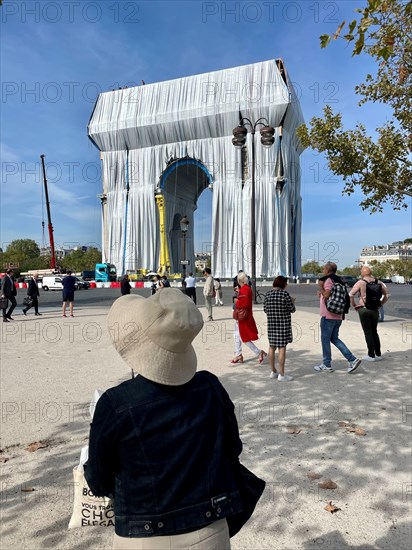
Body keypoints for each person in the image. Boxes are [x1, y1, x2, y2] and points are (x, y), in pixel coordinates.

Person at [85, 289, 247, 549]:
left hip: (142, 536)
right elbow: (233, 449)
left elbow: (98, 480)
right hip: (210, 529)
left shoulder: (116, 403)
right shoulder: (211, 387)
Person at [314, 262, 361, 374]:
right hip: (338, 314)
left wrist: (321, 289)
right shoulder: (339, 280)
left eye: (324, 268)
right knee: (334, 338)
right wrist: (322, 293)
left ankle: (326, 364)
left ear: (328, 270)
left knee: (325, 339)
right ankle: (352, 359)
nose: (323, 270)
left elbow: (327, 294)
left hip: (328, 315)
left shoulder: (328, 280)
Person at [349, 266, 388, 361]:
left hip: (364, 309)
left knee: (367, 332)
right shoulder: (378, 282)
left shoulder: (360, 282)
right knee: (374, 331)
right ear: (370, 273)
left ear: (363, 273)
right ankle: (378, 354)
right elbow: (386, 295)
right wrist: (380, 304)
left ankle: (371, 355)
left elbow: (350, 294)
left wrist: (354, 305)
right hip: (375, 310)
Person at [263, 275, 296, 381]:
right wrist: (292, 302)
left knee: (271, 347)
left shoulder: (268, 294)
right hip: (283, 325)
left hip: (272, 325)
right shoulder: (284, 294)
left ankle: (273, 371)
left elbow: (265, 309)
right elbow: (292, 309)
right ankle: (282, 374)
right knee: (282, 348)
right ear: (283, 284)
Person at [231, 271, 267, 365]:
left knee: (244, 337)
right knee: (237, 335)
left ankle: (258, 352)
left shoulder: (244, 290)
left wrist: (237, 301)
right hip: (244, 316)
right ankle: (239, 354)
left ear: (239, 281)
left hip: (243, 317)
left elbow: (244, 303)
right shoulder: (246, 289)